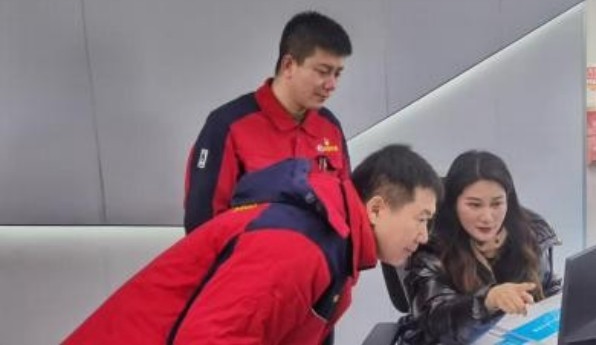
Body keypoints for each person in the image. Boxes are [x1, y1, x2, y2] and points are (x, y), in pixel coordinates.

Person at [63, 145, 442, 345]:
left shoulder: (332, 252)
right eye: (421, 218)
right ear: (376, 209)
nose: (425, 236)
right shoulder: (300, 245)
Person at [184, 10, 354, 233]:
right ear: (288, 65)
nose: (331, 85)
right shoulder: (227, 126)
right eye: (323, 72)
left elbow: (348, 212)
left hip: (321, 256)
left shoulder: (330, 127)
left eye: (337, 74)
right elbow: (202, 228)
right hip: (251, 255)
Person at [397, 150, 561, 345]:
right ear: (454, 204)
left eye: (497, 204)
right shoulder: (431, 246)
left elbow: (549, 290)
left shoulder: (531, 232)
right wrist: (487, 301)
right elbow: (435, 323)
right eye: (474, 205)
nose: (487, 217)